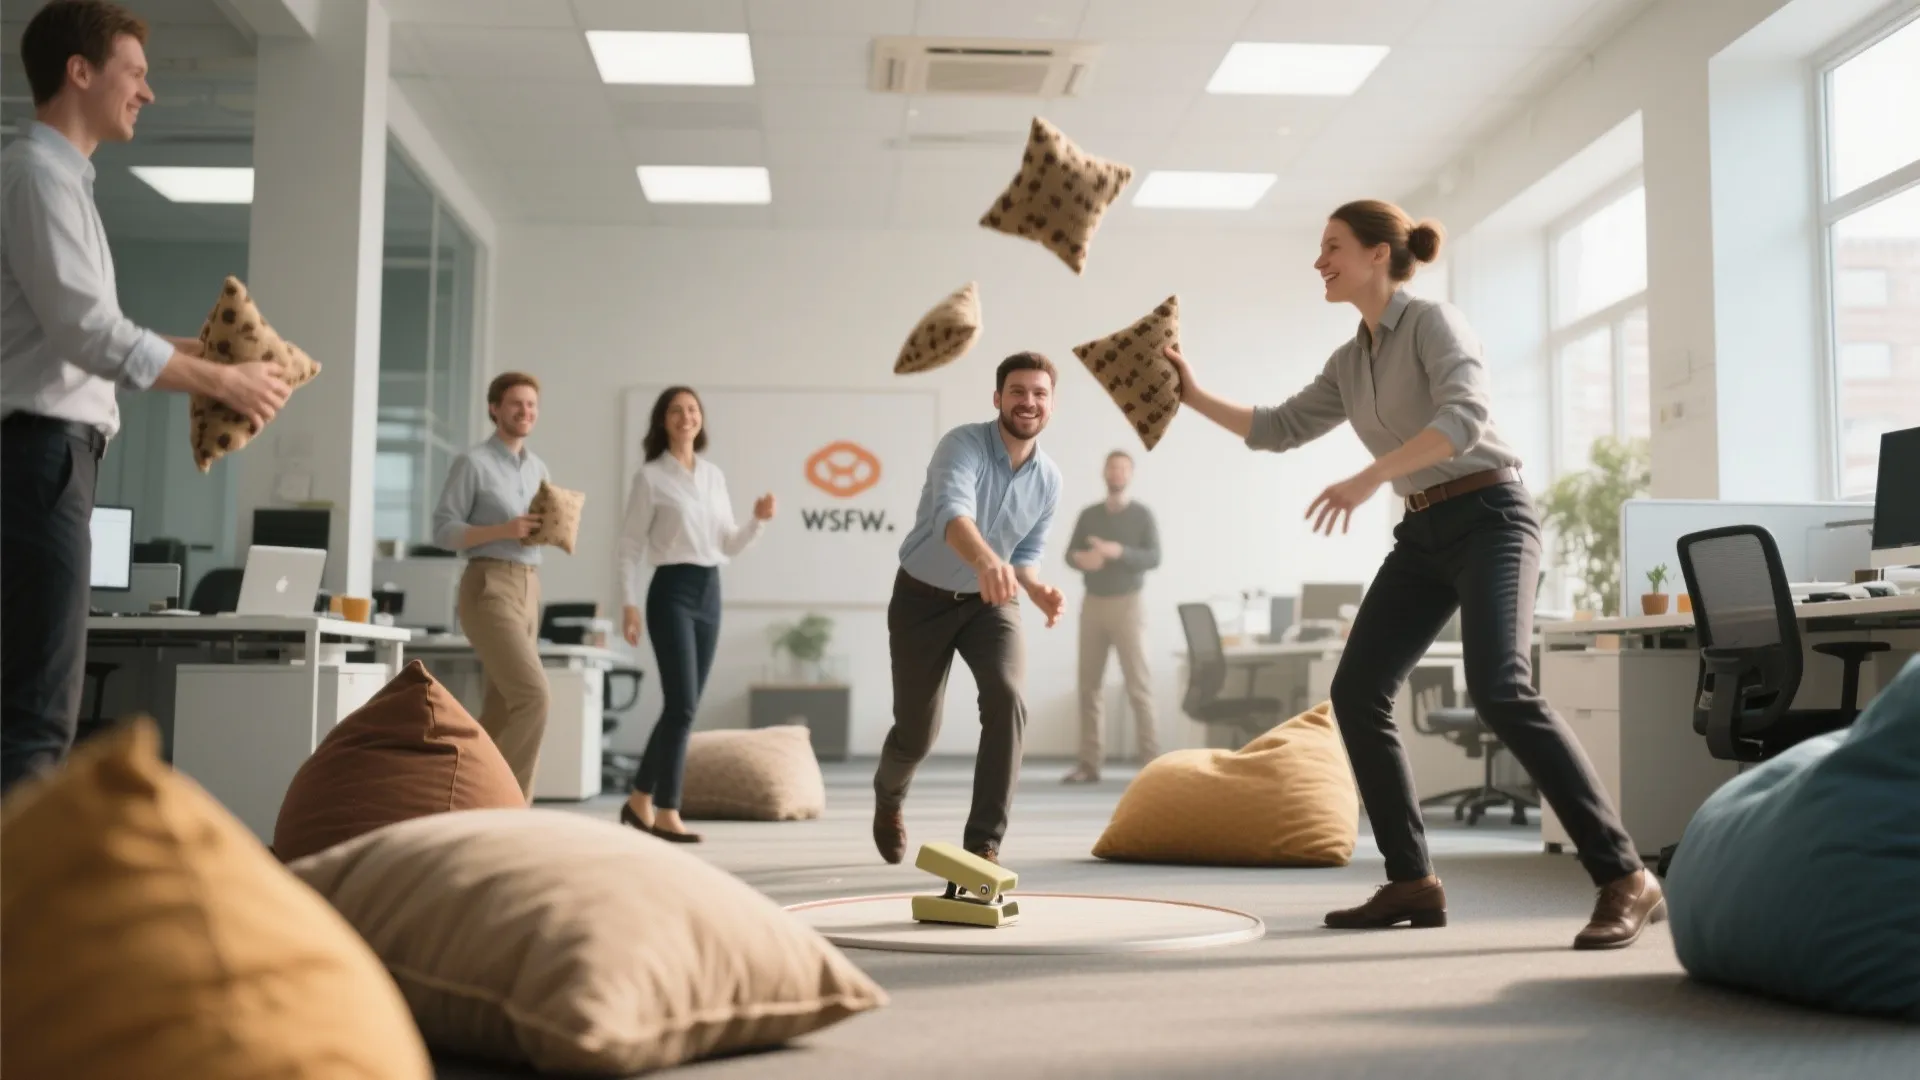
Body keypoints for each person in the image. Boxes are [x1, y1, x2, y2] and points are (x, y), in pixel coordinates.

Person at [1165, 199, 1663, 950]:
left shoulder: (1435, 322)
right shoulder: (1350, 359)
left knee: (1501, 686)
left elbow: (1463, 420)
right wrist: (1192, 392)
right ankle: (1412, 880)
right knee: (1356, 690)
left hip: (1492, 515)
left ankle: (1624, 874)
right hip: (1424, 531)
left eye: (1332, 246)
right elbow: (1276, 429)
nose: (1319, 260)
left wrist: (1368, 478)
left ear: (1376, 254)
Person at [1, 0, 290, 794]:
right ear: (80, 71)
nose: (149, 92)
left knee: (28, 705)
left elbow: (84, 330)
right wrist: (223, 381)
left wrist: (207, 351)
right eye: (136, 73)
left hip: (47, 461)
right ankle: (23, 914)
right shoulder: (36, 176)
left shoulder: (59, 183)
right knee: (34, 714)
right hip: (39, 461)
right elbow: (89, 334)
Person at [873, 353, 1066, 866]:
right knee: (916, 735)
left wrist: (1036, 587)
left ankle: (984, 846)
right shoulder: (962, 445)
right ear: (998, 397)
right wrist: (985, 561)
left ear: (1051, 404)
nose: (1028, 401)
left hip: (991, 605)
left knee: (1007, 700)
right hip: (922, 599)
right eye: (1018, 391)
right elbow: (951, 514)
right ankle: (889, 797)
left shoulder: (1049, 479)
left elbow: (1024, 555)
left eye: (1039, 393)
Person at [615, 387, 775, 843]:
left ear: (700, 419)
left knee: (680, 708)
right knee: (683, 705)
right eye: (676, 410)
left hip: (710, 590)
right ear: (663, 421)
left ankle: (640, 800)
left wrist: (758, 520)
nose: (686, 417)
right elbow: (628, 548)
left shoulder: (713, 476)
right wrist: (628, 603)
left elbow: (727, 544)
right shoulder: (649, 477)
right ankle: (667, 810)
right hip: (670, 592)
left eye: (692, 410)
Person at [432, 372, 551, 801]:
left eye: (532, 405)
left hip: (529, 586)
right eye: (516, 404)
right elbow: (442, 531)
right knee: (535, 697)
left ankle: (463, 795)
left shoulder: (538, 469)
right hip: (489, 583)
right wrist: (503, 529)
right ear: (494, 409)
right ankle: (509, 804)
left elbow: (530, 531)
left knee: (502, 708)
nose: (525, 412)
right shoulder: (474, 462)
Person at [1062, 449, 1161, 784]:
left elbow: (1154, 556)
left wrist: (1119, 552)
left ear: (1129, 474)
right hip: (1093, 604)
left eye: (1122, 468)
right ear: (1104, 473)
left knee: (1139, 686)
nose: (1116, 473)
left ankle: (1151, 762)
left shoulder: (1142, 515)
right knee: (1088, 686)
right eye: (1111, 468)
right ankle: (1089, 764)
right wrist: (1083, 559)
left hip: (1128, 605)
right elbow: (1069, 554)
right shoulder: (1089, 515)